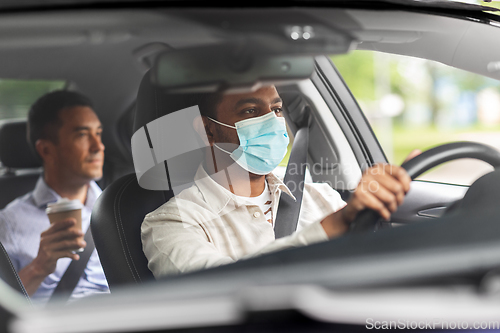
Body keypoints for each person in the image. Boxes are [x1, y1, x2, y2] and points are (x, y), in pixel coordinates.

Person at [141, 85, 412, 277]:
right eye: (249, 111)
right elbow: (220, 287)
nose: (272, 121)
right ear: (208, 130)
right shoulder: (171, 223)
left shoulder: (320, 196)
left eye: (277, 109)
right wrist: (337, 224)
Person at [0, 90, 109, 304]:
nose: (99, 146)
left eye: (98, 133)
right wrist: (39, 267)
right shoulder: (8, 222)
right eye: (82, 135)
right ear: (47, 150)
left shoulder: (119, 210)